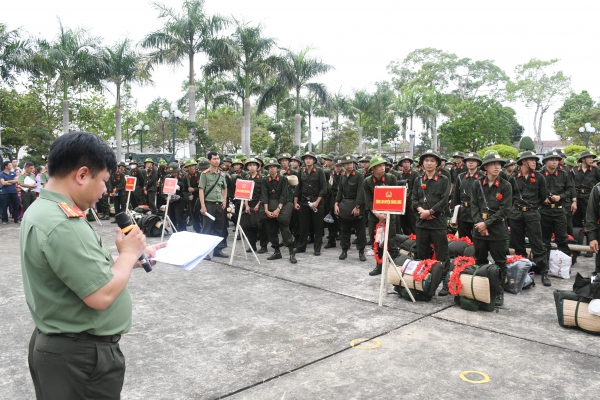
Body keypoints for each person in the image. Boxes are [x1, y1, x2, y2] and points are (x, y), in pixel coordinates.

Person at [20, 131, 166, 399]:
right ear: (82, 174)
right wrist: (127, 254)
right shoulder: (63, 223)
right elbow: (101, 295)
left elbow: (76, 269)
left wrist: (131, 257)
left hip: (66, 350)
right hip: (79, 357)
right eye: (103, 181)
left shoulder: (44, 210)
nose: (105, 191)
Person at [471, 153, 512, 306]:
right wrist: (480, 224)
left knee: (500, 262)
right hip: (479, 229)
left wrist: (486, 224)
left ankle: (499, 291)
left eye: (499, 164)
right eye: (493, 164)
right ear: (485, 167)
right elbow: (473, 207)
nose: (497, 167)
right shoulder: (477, 184)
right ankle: (482, 289)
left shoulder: (505, 186)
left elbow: (505, 210)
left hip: (496, 229)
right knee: (480, 260)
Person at [508, 150, 551, 286]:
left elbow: (543, 196)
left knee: (537, 243)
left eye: (535, 160)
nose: (535, 162)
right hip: (516, 214)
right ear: (523, 161)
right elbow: (510, 196)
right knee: (518, 244)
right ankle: (523, 269)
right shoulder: (513, 177)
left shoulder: (539, 177)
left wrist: (532, 207)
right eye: (531, 160)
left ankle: (544, 271)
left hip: (532, 213)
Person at [411, 150, 451, 294]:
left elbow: (444, 200)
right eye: (426, 160)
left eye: (432, 161)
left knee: (442, 253)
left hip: (437, 222)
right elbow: (414, 199)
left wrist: (431, 212)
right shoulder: (418, 180)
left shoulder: (443, 180)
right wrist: (422, 211)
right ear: (422, 163)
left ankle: (446, 283)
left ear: (437, 164)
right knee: (422, 252)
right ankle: (423, 280)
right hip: (422, 222)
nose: (429, 163)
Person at [364, 155, 399, 276]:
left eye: (383, 165)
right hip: (374, 217)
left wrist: (386, 214)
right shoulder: (367, 181)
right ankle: (379, 266)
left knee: (392, 241)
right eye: (379, 166)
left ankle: (394, 269)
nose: (382, 168)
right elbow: (368, 201)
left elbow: (396, 197)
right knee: (378, 242)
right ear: (372, 169)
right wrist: (378, 214)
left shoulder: (391, 178)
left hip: (390, 216)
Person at [539, 150, 572, 265]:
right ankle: (545, 264)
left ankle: (564, 264)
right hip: (544, 211)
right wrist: (542, 199)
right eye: (552, 160)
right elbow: (533, 191)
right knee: (545, 240)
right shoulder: (540, 174)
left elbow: (569, 190)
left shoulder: (564, 174)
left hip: (559, 210)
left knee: (562, 238)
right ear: (546, 161)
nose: (555, 162)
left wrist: (560, 197)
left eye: (557, 160)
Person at [261, 158, 296, 263]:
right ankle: (277, 252)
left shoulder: (283, 179)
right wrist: (266, 210)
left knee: (283, 223)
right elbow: (264, 196)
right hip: (270, 203)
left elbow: (284, 195)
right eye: (270, 167)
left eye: (274, 167)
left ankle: (291, 253)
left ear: (277, 168)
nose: (272, 169)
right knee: (270, 225)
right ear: (267, 169)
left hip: (283, 203)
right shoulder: (265, 180)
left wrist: (278, 209)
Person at [294, 151, 327, 256]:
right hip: (304, 202)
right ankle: (301, 247)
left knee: (318, 226)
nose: (308, 160)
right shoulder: (301, 171)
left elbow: (324, 188)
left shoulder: (319, 171)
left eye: (310, 158)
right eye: (306, 158)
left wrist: (317, 202)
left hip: (317, 202)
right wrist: (295, 201)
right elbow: (298, 187)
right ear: (304, 160)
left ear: (314, 160)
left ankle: (317, 248)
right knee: (303, 226)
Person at [335, 154, 367, 261]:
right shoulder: (343, 176)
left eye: (351, 163)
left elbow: (361, 192)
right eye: (347, 163)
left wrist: (357, 206)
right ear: (343, 165)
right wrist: (336, 203)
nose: (349, 165)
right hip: (345, 204)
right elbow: (340, 191)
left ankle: (361, 251)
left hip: (357, 204)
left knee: (360, 231)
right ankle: (344, 250)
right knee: (344, 230)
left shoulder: (359, 175)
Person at [199, 151, 228, 258]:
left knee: (219, 228)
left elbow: (224, 188)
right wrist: (203, 205)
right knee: (207, 228)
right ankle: (205, 252)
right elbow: (201, 190)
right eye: (214, 159)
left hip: (219, 205)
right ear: (209, 160)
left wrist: (224, 200)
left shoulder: (221, 174)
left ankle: (217, 250)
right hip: (209, 204)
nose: (217, 161)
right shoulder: (205, 174)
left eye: (218, 158)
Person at [451, 152, 482, 240]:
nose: (470, 163)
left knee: (477, 239)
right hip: (463, 212)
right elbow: (456, 196)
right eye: (468, 161)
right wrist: (454, 213)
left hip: (477, 213)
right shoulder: (460, 177)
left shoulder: (482, 177)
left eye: (473, 161)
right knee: (464, 239)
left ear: (478, 163)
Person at [241, 158, 263, 252]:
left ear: (257, 167)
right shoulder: (246, 178)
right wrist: (246, 205)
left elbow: (264, 193)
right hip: (249, 204)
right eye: (250, 165)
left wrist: (258, 205)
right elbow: (244, 193)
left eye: (254, 165)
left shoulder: (262, 178)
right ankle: (252, 246)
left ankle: (264, 246)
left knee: (260, 225)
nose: (252, 167)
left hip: (259, 203)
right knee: (250, 226)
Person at [182, 159, 201, 233]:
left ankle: (204, 228)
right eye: (189, 166)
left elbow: (204, 188)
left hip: (200, 197)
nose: (191, 168)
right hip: (191, 199)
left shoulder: (200, 174)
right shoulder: (185, 177)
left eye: (193, 166)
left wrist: (194, 189)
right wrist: (188, 196)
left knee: (202, 213)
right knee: (193, 213)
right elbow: (184, 190)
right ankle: (197, 230)